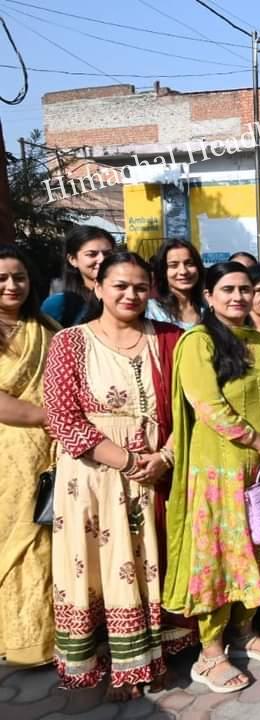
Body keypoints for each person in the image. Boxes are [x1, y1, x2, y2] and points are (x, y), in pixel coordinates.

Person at [43, 253, 183, 698]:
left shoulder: (170, 339)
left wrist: (164, 457)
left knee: (151, 560)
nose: (131, 294)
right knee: (102, 567)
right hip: (93, 476)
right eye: (120, 285)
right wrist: (126, 461)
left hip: (157, 471)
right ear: (98, 287)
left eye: (140, 287)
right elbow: (62, 418)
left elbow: (189, 410)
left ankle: (152, 657)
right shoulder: (70, 342)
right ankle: (117, 663)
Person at [164, 262, 260, 694]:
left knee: (257, 548)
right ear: (208, 296)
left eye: (246, 289)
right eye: (228, 289)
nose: (239, 297)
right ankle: (210, 653)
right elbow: (209, 407)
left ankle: (244, 633)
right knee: (220, 559)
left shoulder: (258, 341)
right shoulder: (198, 342)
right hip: (218, 470)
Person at [0, 247, 56, 667]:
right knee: (16, 542)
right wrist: (49, 417)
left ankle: (50, 638)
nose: (11, 286)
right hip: (9, 454)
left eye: (19, 277)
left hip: (50, 451)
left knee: (47, 542)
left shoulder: (45, 327)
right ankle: (17, 640)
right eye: (2, 278)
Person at [42, 225, 115, 327]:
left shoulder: (126, 296)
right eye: (91, 254)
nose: (102, 259)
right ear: (73, 259)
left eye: (107, 254)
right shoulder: (60, 304)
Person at [147, 239, 206, 330]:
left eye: (189, 264)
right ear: (163, 271)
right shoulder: (151, 310)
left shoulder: (210, 308)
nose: (183, 271)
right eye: (173, 265)